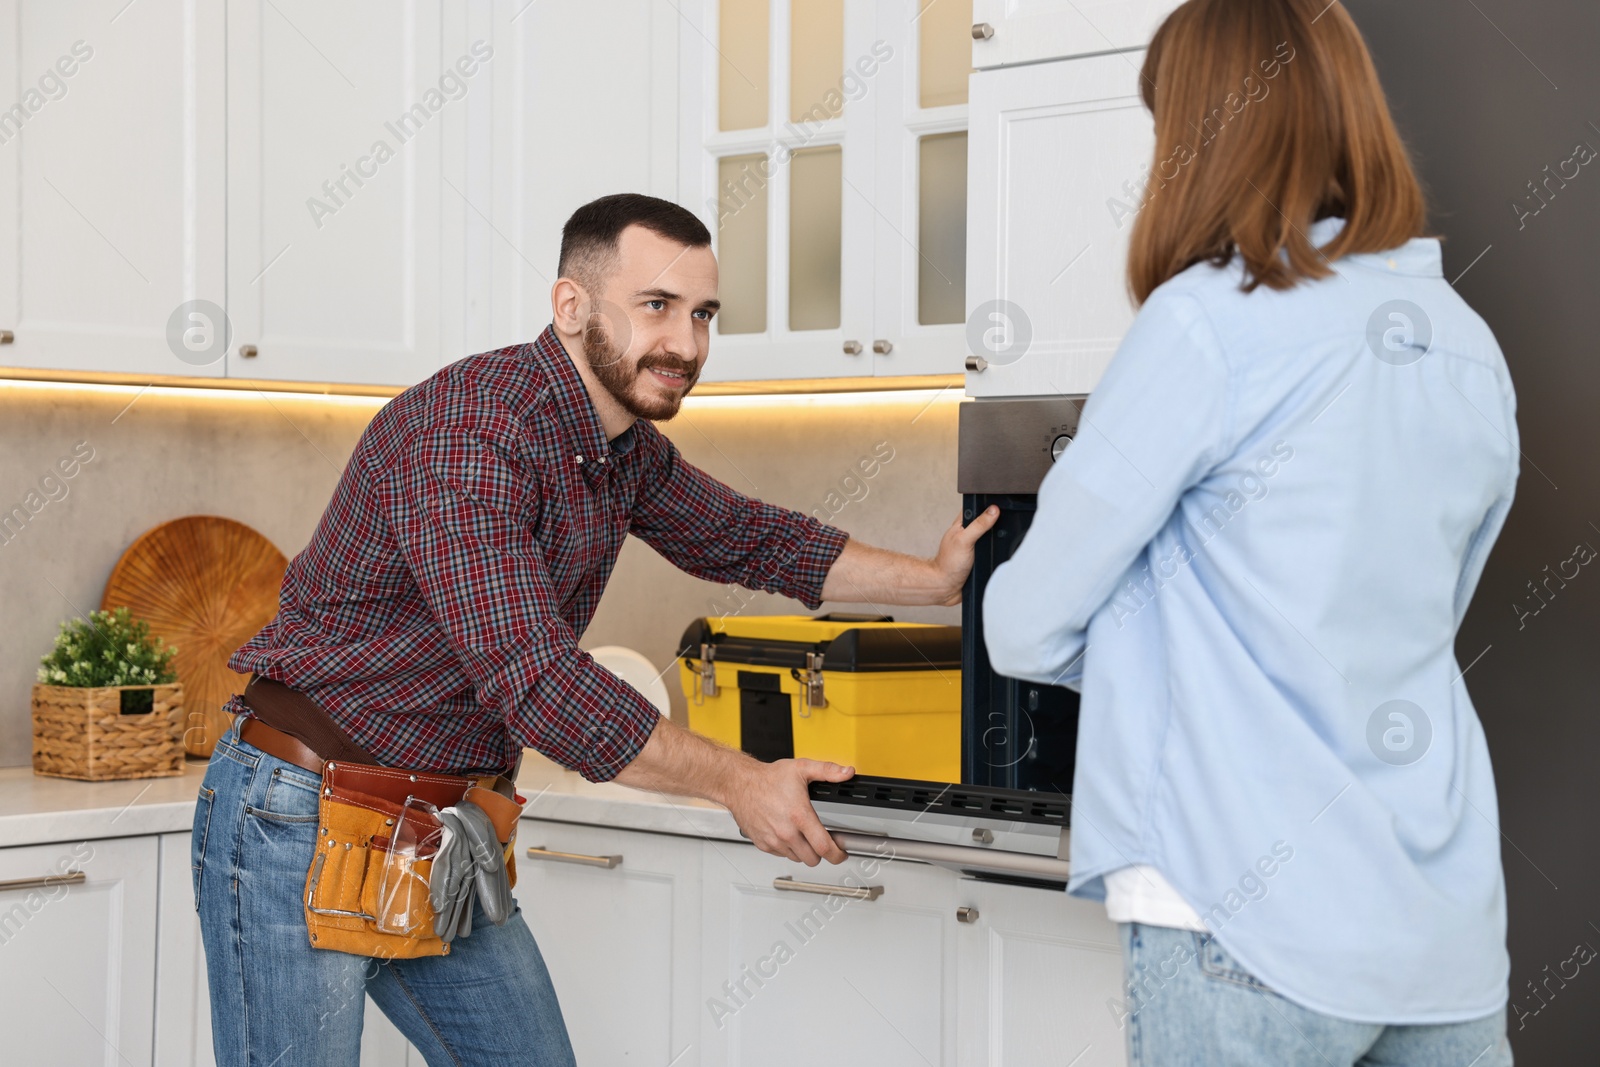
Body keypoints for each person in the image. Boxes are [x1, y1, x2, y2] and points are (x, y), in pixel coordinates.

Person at [192, 192, 1000, 1066]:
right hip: (297, 818)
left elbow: (755, 537)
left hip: (439, 826)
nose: (686, 345)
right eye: (656, 307)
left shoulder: (621, 451)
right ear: (571, 307)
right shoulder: (471, 431)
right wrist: (738, 780)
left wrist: (933, 579)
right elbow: (537, 683)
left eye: (703, 314)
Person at [982, 1, 1516, 1064]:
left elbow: (1025, 623)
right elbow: (1413, 621)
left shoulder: (1205, 321)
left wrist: (1175, 666)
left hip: (1241, 911)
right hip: (1441, 927)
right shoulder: (1464, 341)